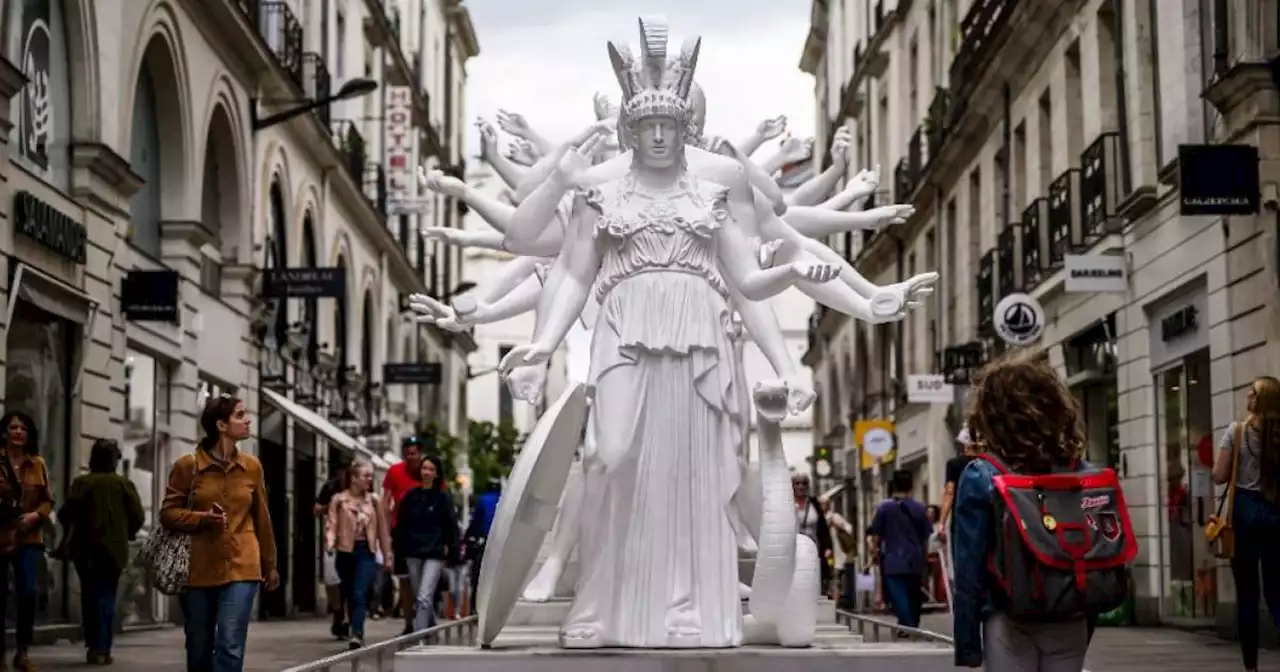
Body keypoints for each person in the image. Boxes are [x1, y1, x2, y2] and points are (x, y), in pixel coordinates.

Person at [952, 350, 1090, 670]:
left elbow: (968, 571)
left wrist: (968, 645)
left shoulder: (982, 474)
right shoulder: (1078, 470)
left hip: (1009, 617)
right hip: (1071, 617)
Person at [161, 395, 278, 672]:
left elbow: (262, 518)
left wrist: (270, 564)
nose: (247, 419)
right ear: (221, 425)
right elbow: (167, 513)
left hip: (242, 565)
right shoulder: (188, 466)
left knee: (230, 643)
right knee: (198, 648)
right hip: (198, 568)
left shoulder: (252, 467)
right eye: (240, 415)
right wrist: (202, 518)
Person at [1213, 375, 1280, 672]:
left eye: (1251, 392)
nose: (1246, 395)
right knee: (1277, 593)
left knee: (1248, 595)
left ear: (1260, 399)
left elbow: (1219, 475)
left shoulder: (1236, 431)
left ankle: (1251, 668)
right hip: (1276, 515)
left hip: (1244, 514)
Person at [58, 439, 145, 665]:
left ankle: (94, 644)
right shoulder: (123, 485)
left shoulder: (81, 483)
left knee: (89, 595)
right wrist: (128, 531)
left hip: (84, 549)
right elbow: (138, 516)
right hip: (114, 549)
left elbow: (65, 514)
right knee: (107, 595)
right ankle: (102, 648)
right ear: (114, 459)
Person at [0, 411, 54, 670]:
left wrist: (35, 515)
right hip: (1, 535)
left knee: (28, 592)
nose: (18, 432)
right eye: (13, 427)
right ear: (4, 433)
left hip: (30, 536)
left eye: (23, 428)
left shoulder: (38, 464)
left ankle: (22, 651)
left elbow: (48, 501)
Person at [326, 459, 390, 649]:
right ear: (354, 478)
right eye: (366, 476)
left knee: (359, 592)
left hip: (366, 551)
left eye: (370, 476)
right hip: (345, 552)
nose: (370, 480)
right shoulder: (338, 500)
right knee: (349, 592)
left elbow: (383, 531)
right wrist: (330, 543)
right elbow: (331, 524)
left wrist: (387, 555)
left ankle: (357, 632)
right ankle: (352, 625)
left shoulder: (375, 500)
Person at [396, 455, 459, 631]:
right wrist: (399, 550)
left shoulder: (443, 498)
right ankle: (430, 627)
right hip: (413, 552)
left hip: (434, 554)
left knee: (424, 596)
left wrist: (453, 552)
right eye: (424, 468)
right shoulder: (410, 496)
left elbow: (451, 526)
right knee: (420, 596)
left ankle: (420, 637)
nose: (427, 472)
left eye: (431, 469)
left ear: (437, 473)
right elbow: (401, 524)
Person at [867, 470, 931, 629]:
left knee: (897, 594)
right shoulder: (920, 507)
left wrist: (874, 551)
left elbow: (875, 533)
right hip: (915, 557)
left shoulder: (884, 508)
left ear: (893, 485)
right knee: (914, 593)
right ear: (911, 486)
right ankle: (912, 625)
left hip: (893, 558)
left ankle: (906, 624)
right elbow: (926, 535)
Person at [380, 435, 425, 634]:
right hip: (402, 533)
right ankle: (409, 622)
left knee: (422, 580)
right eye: (406, 454)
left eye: (413, 454)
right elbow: (385, 503)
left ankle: (423, 620)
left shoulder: (428, 471)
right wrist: (384, 532)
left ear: (420, 454)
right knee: (405, 579)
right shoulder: (394, 472)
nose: (410, 458)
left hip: (425, 534)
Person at [315, 459, 350, 639]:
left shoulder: (359, 487)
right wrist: (332, 505)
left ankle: (347, 620)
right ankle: (337, 612)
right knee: (331, 580)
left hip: (353, 541)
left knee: (348, 581)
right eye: (342, 472)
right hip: (332, 540)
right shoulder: (330, 487)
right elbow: (316, 510)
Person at [792, 473, 834, 595]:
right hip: (794, 551)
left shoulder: (814, 503)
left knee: (814, 581)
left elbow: (823, 528)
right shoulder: (787, 504)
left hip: (814, 550)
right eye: (797, 483)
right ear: (792, 486)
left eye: (804, 483)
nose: (801, 487)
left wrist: (828, 548)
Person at [464, 481, 501, 611]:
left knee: (478, 574)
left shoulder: (483, 500)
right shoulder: (503, 500)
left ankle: (474, 606)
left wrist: (468, 537)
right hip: (500, 542)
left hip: (485, 542)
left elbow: (476, 521)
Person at [937, 426, 977, 544]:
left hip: (961, 519)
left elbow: (949, 493)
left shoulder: (954, 464)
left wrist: (941, 523)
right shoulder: (986, 463)